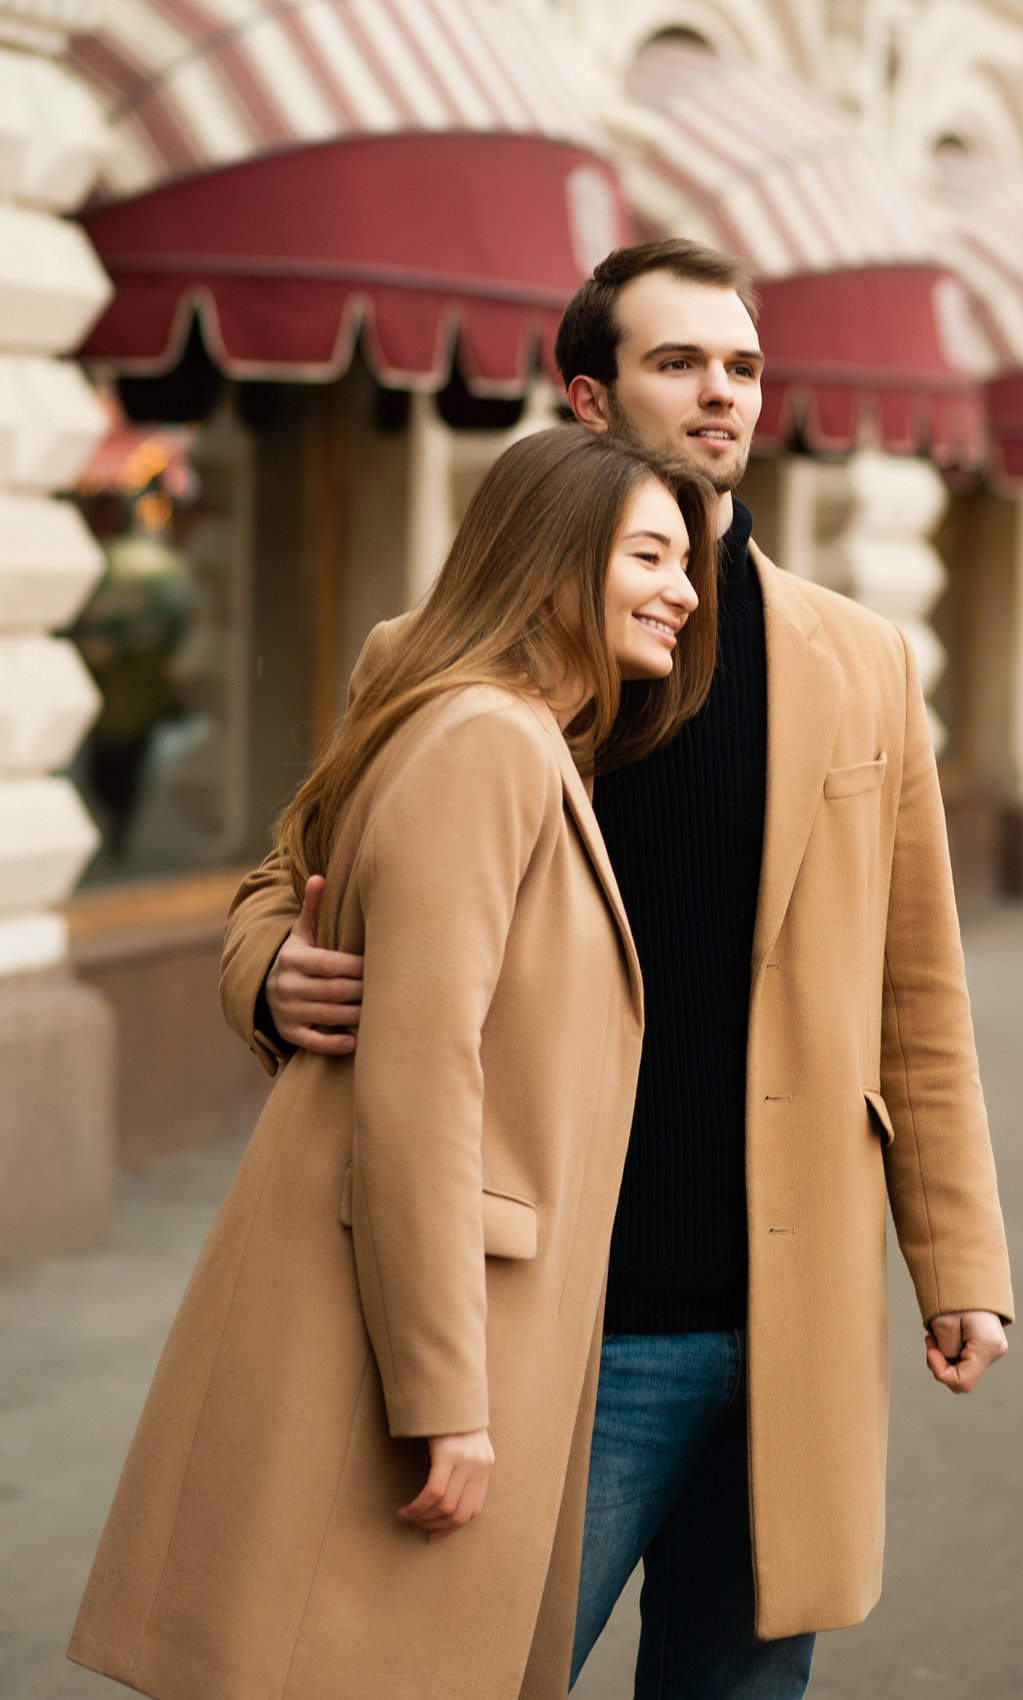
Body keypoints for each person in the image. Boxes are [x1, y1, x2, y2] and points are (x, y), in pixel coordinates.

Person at [217, 241, 1015, 1700]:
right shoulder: (444, 656)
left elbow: (918, 989)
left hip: (791, 1318)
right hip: (552, 1318)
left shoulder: (861, 660)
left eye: (741, 365)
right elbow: (294, 872)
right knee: (447, 1673)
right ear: (584, 401)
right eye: (675, 363)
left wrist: (956, 1256)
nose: (720, 393)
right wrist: (270, 970)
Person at [67, 428, 720, 1700]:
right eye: (648, 554)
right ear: (549, 566)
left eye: (684, 560)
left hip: (434, 1309)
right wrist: (445, 1395)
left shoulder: (504, 726)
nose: (681, 590)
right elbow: (424, 1082)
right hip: (414, 1331)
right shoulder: (491, 739)